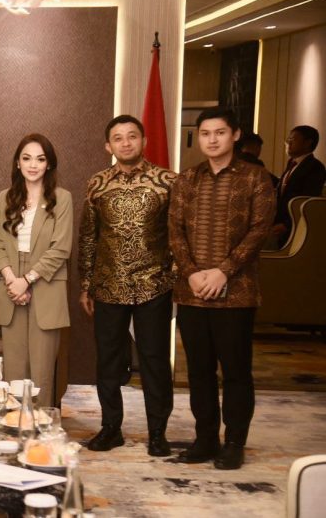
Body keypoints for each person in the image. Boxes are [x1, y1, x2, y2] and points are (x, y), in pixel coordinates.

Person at [169, 107, 275, 470]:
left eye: (219, 132)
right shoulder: (186, 179)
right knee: (198, 372)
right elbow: (175, 232)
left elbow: (259, 230)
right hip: (192, 292)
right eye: (205, 134)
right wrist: (192, 273)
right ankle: (205, 439)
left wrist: (223, 272)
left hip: (237, 293)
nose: (212, 140)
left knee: (235, 372)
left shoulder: (256, 178)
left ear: (235, 135)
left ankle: (234, 442)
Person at [78, 115, 176, 456]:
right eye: (118, 138)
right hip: (108, 285)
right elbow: (88, 236)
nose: (126, 143)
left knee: (154, 360)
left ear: (143, 141)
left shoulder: (168, 181)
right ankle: (110, 428)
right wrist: (86, 283)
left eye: (132, 136)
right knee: (108, 361)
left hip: (154, 284)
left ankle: (158, 432)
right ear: (109, 145)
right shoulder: (97, 183)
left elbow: (179, 234)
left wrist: (176, 277)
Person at [0, 134, 72, 398]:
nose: (33, 165)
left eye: (40, 159)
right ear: (18, 163)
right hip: (10, 285)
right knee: (14, 371)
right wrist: (13, 280)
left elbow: (60, 248)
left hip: (46, 283)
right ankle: (14, 422)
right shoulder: (5, 198)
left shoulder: (62, 198)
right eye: (26, 158)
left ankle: (40, 423)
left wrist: (27, 280)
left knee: (41, 373)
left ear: (49, 164)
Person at [272, 125, 325, 248]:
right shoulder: (292, 163)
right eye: (288, 139)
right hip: (280, 224)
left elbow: (306, 200)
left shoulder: (315, 167)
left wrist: (287, 224)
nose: (288, 143)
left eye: (293, 139)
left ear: (307, 143)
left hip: (296, 226)